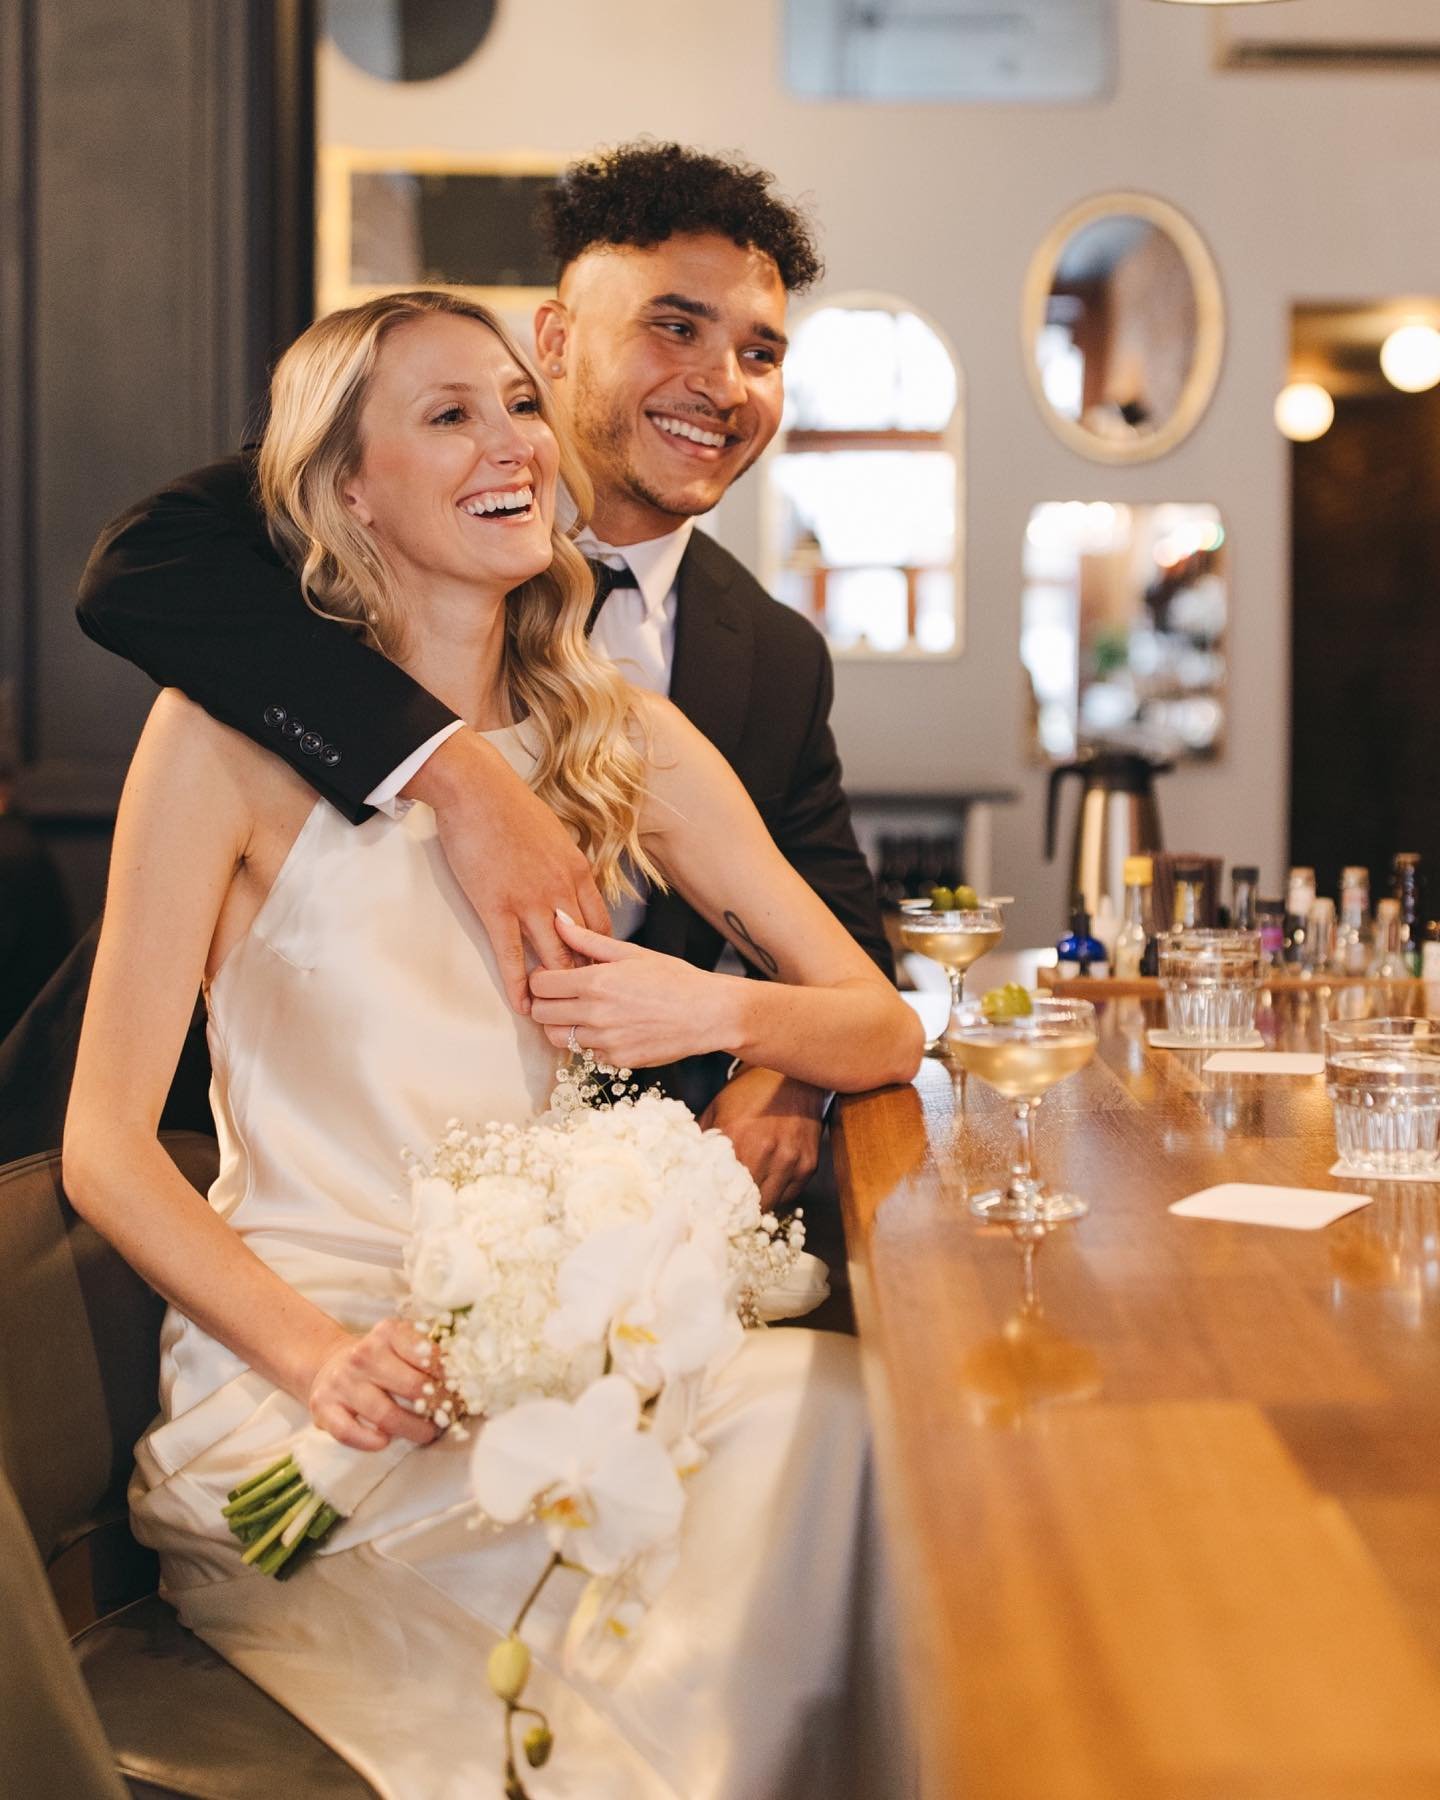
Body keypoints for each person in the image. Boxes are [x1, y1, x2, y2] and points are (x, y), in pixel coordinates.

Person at [62, 291, 922, 1800]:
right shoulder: (216, 744)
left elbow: (880, 1020)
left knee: (837, 1422)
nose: (511, 440)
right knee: (689, 1596)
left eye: (519, 403)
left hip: (560, 1359)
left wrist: (707, 1011)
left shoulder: (618, 736)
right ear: (345, 490)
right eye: (447, 415)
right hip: (321, 1390)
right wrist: (325, 1360)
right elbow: (106, 1150)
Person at [74, 141, 892, 1211]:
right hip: (263, 1156)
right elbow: (129, 573)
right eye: (675, 326)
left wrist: (782, 1069)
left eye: (761, 352)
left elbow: (844, 950)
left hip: (599, 1198)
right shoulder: (331, 504)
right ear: (555, 340)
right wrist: (459, 774)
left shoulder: (774, 658)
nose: (720, 384)